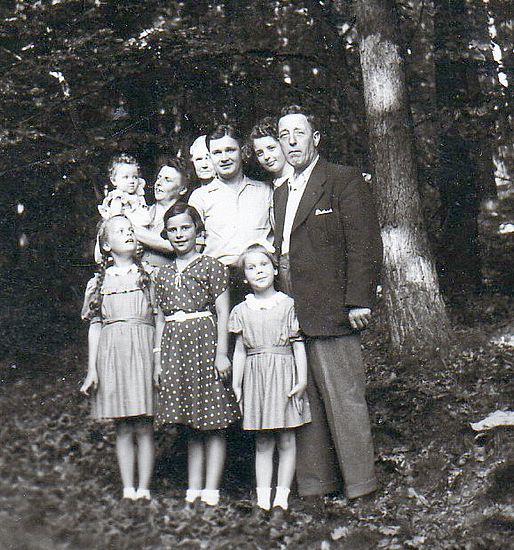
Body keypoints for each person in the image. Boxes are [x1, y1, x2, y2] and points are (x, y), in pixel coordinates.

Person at [273, 105, 383, 504]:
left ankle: (361, 486)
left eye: (299, 133)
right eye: (284, 135)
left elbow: (364, 243)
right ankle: (318, 486)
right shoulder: (281, 193)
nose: (291, 141)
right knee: (306, 401)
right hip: (292, 308)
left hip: (333, 307)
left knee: (344, 398)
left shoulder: (342, 179)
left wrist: (359, 301)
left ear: (315, 138)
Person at [153, 203, 240, 508]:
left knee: (213, 420)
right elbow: (160, 319)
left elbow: (223, 311)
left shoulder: (212, 266)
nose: (179, 234)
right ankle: (194, 487)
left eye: (185, 228)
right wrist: (158, 360)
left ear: (197, 231)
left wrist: (222, 353)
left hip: (205, 343)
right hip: (175, 347)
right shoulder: (161, 274)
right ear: (166, 234)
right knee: (191, 421)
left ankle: (211, 489)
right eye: (173, 230)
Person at [229, 243, 311, 520]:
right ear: (244, 277)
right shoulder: (242, 310)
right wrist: (237, 384)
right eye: (251, 268)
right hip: (256, 379)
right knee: (263, 441)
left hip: (284, 375)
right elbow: (240, 351)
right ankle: (263, 501)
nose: (258, 271)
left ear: (275, 270)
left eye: (263, 265)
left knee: (286, 438)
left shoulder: (288, 305)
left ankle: (281, 501)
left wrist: (302, 380)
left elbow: (298, 345)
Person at [80, 215, 155, 501]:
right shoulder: (98, 283)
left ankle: (144, 488)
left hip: (143, 350)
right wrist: (92, 369)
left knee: (144, 424)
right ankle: (128, 489)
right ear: (106, 245)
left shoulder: (148, 276)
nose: (128, 234)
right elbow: (95, 326)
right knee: (123, 425)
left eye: (130, 229)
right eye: (120, 231)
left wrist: (158, 358)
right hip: (113, 354)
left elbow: (159, 318)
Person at [189, 124, 273, 305]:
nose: (224, 158)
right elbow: (192, 247)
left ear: (242, 151)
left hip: (259, 280)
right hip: (216, 282)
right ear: (210, 157)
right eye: (217, 152)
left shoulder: (265, 191)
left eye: (230, 150)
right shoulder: (200, 197)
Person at [133, 157, 188, 267]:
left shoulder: (184, 216)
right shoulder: (141, 211)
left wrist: (129, 227)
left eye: (167, 180)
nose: (158, 183)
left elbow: (171, 246)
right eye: (159, 178)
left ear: (182, 189)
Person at [97, 153, 151, 226]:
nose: (132, 181)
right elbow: (116, 219)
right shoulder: (118, 197)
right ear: (114, 181)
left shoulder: (138, 194)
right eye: (126, 177)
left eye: (135, 177)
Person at [249, 117, 294, 188]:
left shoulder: (299, 180)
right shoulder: (267, 187)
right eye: (260, 153)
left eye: (271, 148)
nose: (266, 157)